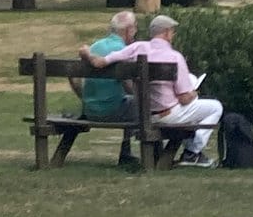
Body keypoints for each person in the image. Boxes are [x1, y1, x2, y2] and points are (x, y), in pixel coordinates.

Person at [85, 12, 222, 167]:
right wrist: (194, 93)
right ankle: (192, 152)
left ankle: (187, 152)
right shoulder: (175, 57)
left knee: (189, 106)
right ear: (166, 33)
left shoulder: (137, 48)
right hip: (166, 115)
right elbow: (184, 98)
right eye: (172, 32)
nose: (173, 35)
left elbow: (101, 62)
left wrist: (87, 54)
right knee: (215, 107)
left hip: (143, 114)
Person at [78, 9, 140, 166]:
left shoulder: (95, 46)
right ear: (129, 30)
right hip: (112, 111)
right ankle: (142, 152)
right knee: (142, 104)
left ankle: (127, 153)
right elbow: (128, 86)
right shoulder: (125, 52)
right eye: (135, 28)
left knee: (131, 102)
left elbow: (73, 77)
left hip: (89, 111)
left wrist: (83, 98)